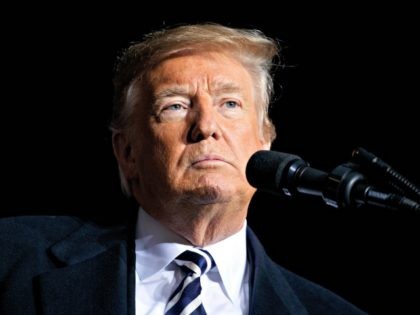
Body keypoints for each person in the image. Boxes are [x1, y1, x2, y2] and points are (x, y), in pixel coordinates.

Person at [0, 23, 367, 314]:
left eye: (230, 104)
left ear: (265, 142)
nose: (206, 125)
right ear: (127, 151)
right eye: (175, 106)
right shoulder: (11, 256)